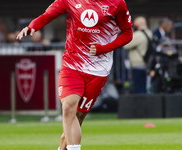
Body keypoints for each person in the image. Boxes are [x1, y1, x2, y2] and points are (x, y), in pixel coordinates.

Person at [16, 0, 133, 149]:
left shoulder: (117, 3)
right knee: (68, 107)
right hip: (72, 64)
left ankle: (63, 144)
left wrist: (103, 48)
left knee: (78, 116)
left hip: (98, 70)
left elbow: (128, 34)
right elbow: (47, 15)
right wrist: (32, 26)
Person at [124, 16, 152, 94]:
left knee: (139, 88)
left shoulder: (138, 35)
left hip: (138, 64)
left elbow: (126, 45)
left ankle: (141, 104)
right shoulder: (149, 33)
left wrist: (131, 32)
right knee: (143, 86)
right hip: (146, 63)